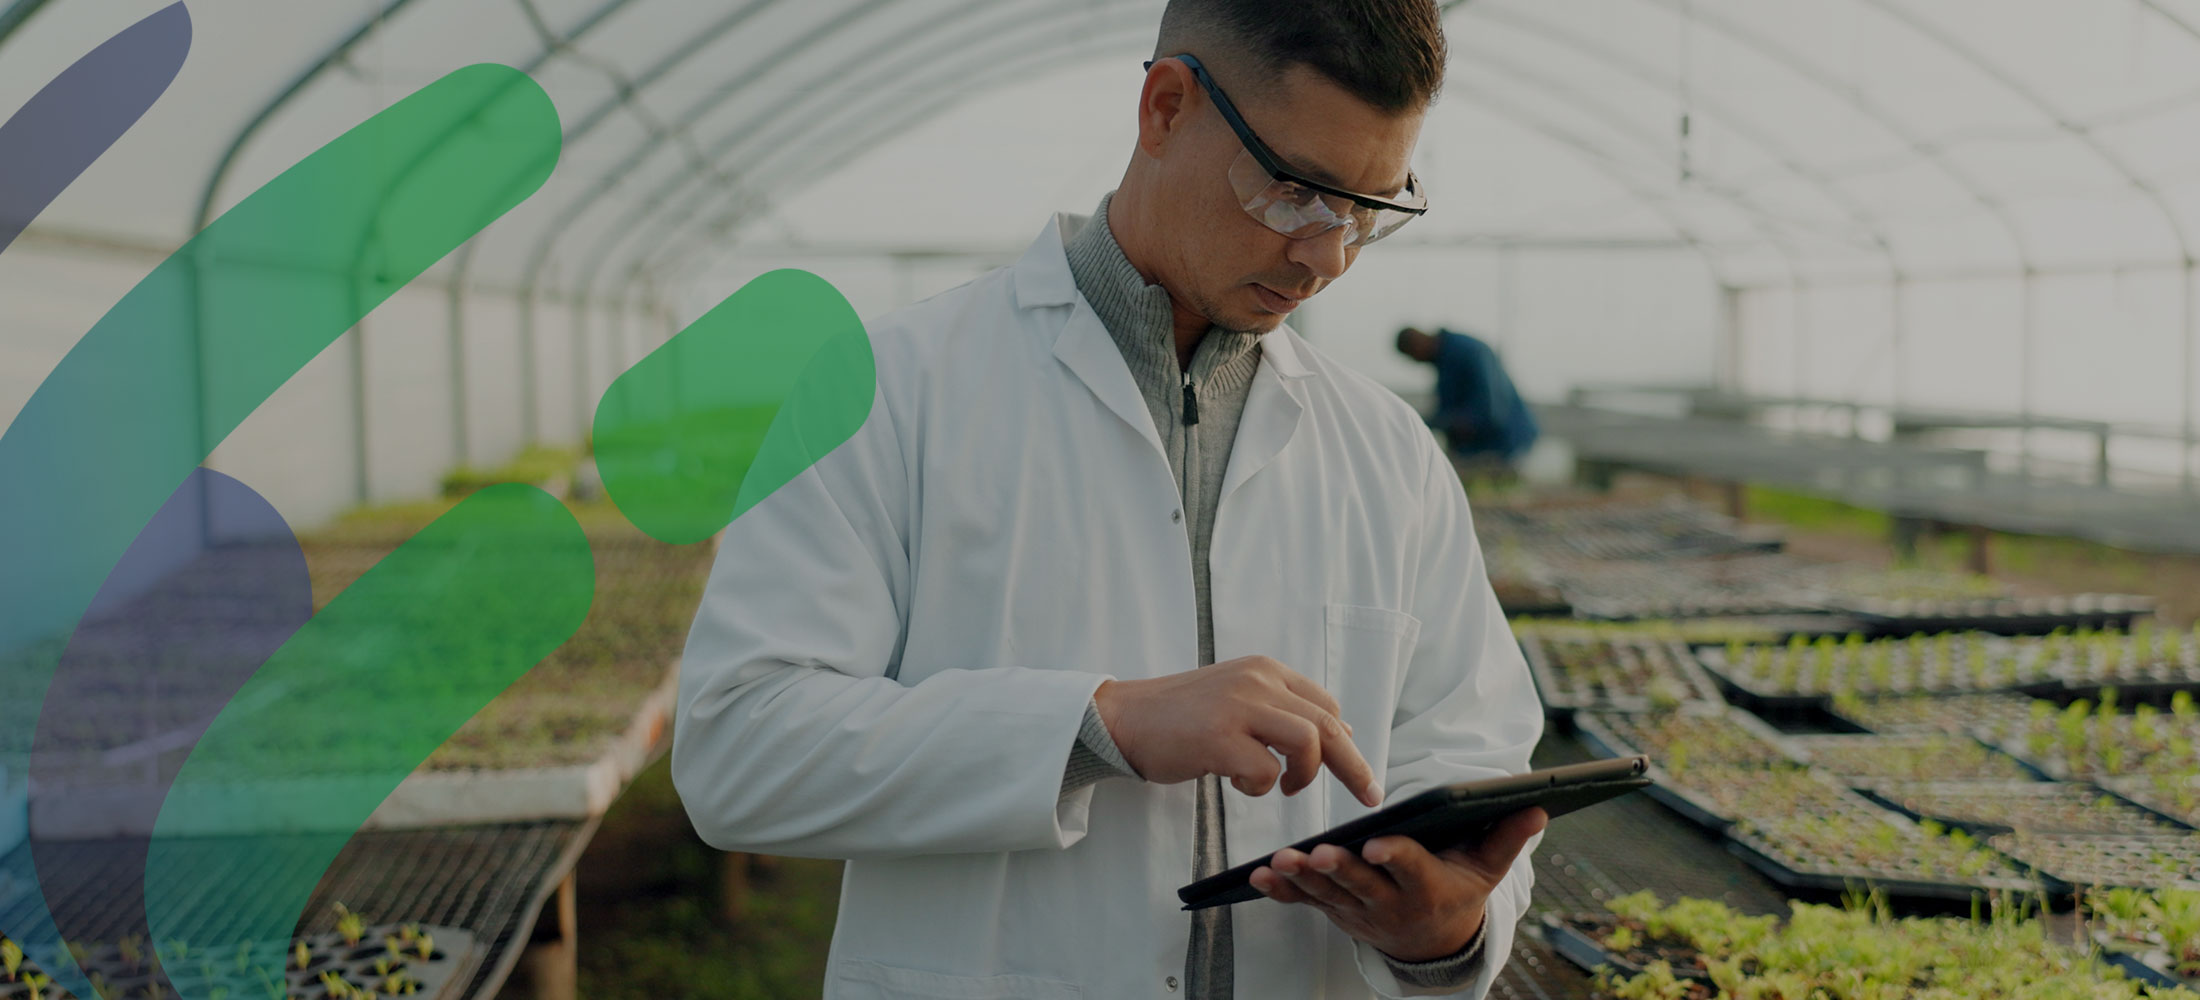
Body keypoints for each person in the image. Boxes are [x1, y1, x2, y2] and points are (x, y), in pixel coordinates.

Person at [670, 2, 1547, 997]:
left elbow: (1466, 742)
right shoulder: (886, 392)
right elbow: (738, 749)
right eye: (1299, 194)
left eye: (1369, 211)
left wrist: (1445, 922)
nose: (1327, 256)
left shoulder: (1386, 451)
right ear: (1165, 107)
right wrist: (1099, 726)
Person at [1395, 327, 1539, 474]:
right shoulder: (1444, 360)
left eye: (1413, 356)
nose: (1417, 362)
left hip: (1505, 443)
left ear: (1419, 344)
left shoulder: (1469, 351)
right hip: (1484, 446)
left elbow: (1490, 409)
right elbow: (1448, 411)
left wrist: (1457, 423)